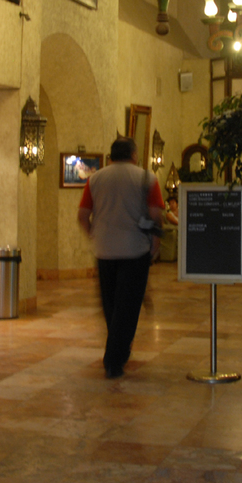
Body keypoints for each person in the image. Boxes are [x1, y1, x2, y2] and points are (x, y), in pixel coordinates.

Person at [77, 137, 163, 379]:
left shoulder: (95, 179)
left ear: (111, 155)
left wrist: (94, 235)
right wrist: (155, 245)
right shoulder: (147, 178)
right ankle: (114, 359)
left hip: (104, 251)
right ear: (134, 154)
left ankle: (119, 353)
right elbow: (156, 215)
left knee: (111, 306)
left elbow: (82, 215)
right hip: (135, 251)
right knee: (128, 308)